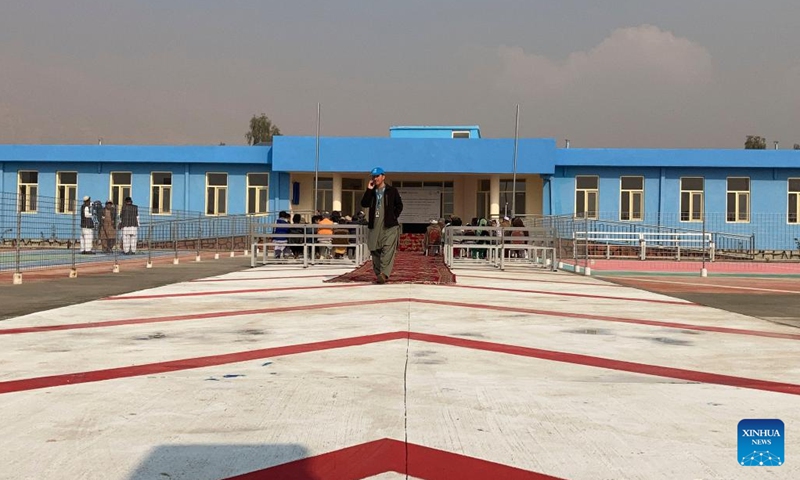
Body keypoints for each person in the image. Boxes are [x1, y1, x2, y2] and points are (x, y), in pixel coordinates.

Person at [360, 167, 403, 284]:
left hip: (389, 226)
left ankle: (384, 273)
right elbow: (364, 203)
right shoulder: (372, 192)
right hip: (375, 225)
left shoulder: (391, 190)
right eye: (373, 176)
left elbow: (399, 205)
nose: (375, 178)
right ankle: (379, 273)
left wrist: (393, 216)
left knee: (388, 249)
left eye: (377, 176)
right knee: (374, 249)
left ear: (383, 176)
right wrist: (369, 190)